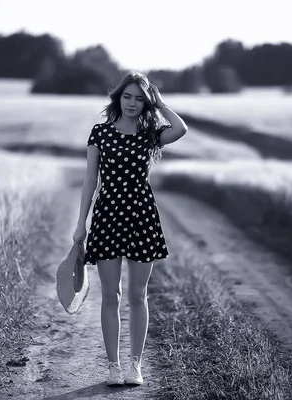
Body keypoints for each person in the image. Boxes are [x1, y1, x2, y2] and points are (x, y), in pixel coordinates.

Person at [72, 71, 188, 386]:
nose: (133, 103)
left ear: (146, 102)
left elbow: (180, 128)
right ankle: (114, 366)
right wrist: (80, 224)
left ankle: (135, 366)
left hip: (142, 217)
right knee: (111, 295)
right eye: (128, 96)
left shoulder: (152, 134)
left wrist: (161, 104)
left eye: (140, 98)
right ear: (118, 98)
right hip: (107, 217)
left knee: (138, 295)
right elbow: (89, 182)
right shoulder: (100, 133)